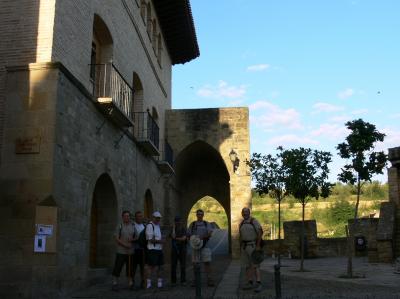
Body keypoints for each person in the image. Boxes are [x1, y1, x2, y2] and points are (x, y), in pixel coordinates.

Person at [187, 209, 214, 286]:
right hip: (195, 247)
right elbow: (188, 234)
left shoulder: (206, 224)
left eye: (201, 214)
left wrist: (202, 237)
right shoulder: (192, 224)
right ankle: (195, 280)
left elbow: (210, 233)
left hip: (205, 246)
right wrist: (193, 239)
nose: (200, 215)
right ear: (196, 215)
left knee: (207, 263)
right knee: (195, 264)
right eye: (198, 214)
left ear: (203, 215)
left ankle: (209, 279)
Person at [239, 207, 263, 293]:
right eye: (244, 212)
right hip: (244, 247)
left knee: (255, 265)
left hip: (252, 245)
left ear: (249, 213)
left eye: (246, 212)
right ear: (242, 214)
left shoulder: (254, 221)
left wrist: (258, 245)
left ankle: (259, 283)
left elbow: (260, 232)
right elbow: (241, 236)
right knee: (246, 265)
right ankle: (249, 282)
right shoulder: (241, 223)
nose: (245, 214)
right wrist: (241, 247)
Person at [111, 210, 135, 291]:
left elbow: (136, 237)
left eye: (128, 216)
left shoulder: (133, 225)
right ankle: (115, 283)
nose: (127, 217)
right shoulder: (120, 226)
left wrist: (133, 239)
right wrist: (125, 245)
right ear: (122, 217)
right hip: (121, 251)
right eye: (125, 216)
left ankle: (130, 283)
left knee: (130, 268)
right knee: (118, 267)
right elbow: (116, 238)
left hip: (130, 251)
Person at [145, 211, 165, 289]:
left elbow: (157, 237)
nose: (158, 219)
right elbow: (150, 240)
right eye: (157, 218)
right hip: (152, 249)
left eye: (159, 218)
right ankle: (148, 283)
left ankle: (159, 283)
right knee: (150, 267)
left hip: (159, 249)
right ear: (153, 217)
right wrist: (161, 241)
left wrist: (161, 240)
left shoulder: (158, 226)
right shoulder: (150, 226)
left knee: (160, 266)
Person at [169, 215, 187, 286]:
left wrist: (175, 239)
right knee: (173, 265)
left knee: (183, 265)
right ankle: (173, 281)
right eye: (176, 221)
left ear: (181, 221)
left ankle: (183, 280)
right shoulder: (173, 229)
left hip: (182, 249)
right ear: (175, 222)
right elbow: (172, 236)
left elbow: (183, 238)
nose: (178, 222)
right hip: (174, 250)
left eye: (179, 221)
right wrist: (173, 227)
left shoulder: (183, 229)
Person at [132, 211, 146, 289]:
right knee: (133, 267)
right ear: (135, 217)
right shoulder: (132, 226)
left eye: (141, 216)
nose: (139, 218)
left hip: (142, 250)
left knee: (142, 267)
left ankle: (143, 282)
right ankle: (132, 282)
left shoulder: (144, 226)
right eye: (138, 216)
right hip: (134, 249)